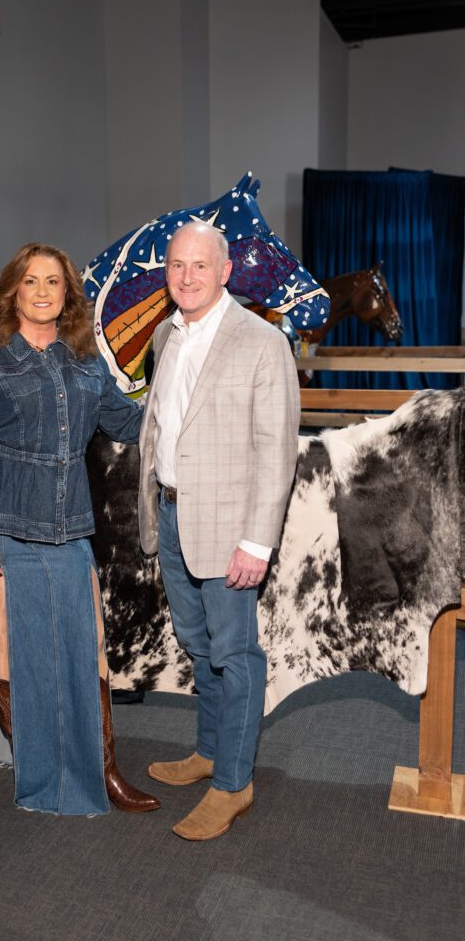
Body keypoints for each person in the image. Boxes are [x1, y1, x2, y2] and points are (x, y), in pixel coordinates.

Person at [0, 242, 160, 817]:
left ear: (67, 295)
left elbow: (128, 422)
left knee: (93, 652)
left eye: (53, 282)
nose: (41, 291)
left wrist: (180, 396)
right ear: (13, 291)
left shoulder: (84, 362)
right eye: (30, 281)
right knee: (5, 654)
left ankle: (103, 769)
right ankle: (40, 763)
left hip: (68, 527)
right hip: (0, 525)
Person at [138, 222, 299, 841]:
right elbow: (162, 425)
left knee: (234, 653)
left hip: (232, 528)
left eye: (200, 266)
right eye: (177, 265)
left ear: (225, 271)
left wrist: (257, 541)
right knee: (196, 643)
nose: (186, 276)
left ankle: (233, 783)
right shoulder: (163, 335)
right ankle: (208, 750)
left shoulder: (262, 343)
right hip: (174, 516)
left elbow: (276, 451)